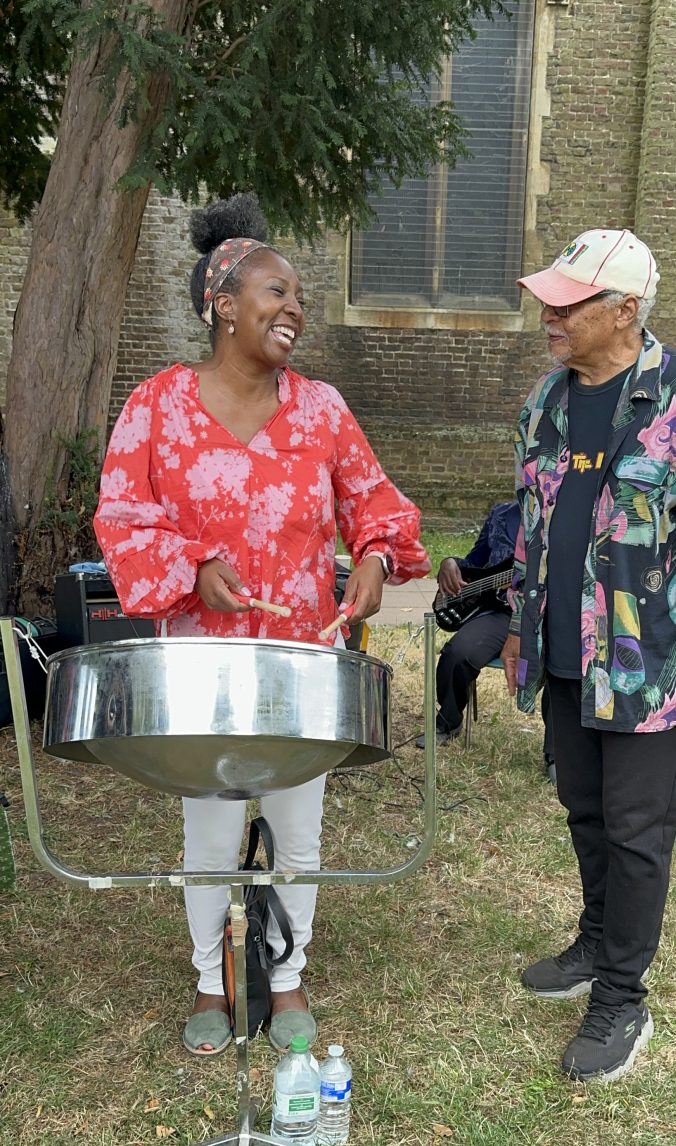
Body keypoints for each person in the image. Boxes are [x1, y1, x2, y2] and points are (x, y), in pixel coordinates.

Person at [94, 193, 430, 1058]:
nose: (294, 309)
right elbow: (122, 518)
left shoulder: (320, 409)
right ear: (222, 302)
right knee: (208, 826)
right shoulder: (158, 405)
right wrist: (191, 564)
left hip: (299, 656)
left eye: (301, 298)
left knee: (295, 823)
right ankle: (214, 975)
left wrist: (376, 559)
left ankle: (286, 977)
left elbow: (380, 507)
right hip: (202, 661)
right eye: (277, 292)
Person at [501, 227, 676, 1083]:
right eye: (551, 297)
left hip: (649, 667)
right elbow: (532, 528)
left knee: (639, 832)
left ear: (625, 311)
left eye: (570, 302)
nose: (550, 313)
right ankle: (596, 938)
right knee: (585, 811)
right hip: (565, 653)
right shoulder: (546, 402)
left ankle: (621, 998)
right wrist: (515, 628)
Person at [416, 502, 555, 780]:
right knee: (458, 652)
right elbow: (476, 561)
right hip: (502, 612)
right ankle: (449, 720)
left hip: (551, 614)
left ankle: (557, 752)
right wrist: (450, 564)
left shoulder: (567, 512)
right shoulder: (503, 514)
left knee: (560, 665)